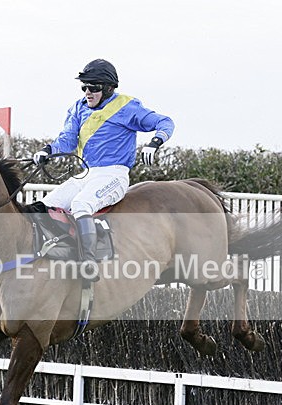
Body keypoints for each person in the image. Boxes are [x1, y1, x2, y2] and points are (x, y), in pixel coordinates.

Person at [32, 59, 175, 281]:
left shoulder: (128, 106)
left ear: (109, 88)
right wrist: (47, 150)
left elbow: (165, 122)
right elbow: (67, 140)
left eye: (94, 87)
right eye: (84, 87)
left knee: (81, 204)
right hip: (86, 175)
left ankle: (89, 265)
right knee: (43, 206)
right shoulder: (78, 108)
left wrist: (155, 142)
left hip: (113, 174)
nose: (88, 92)